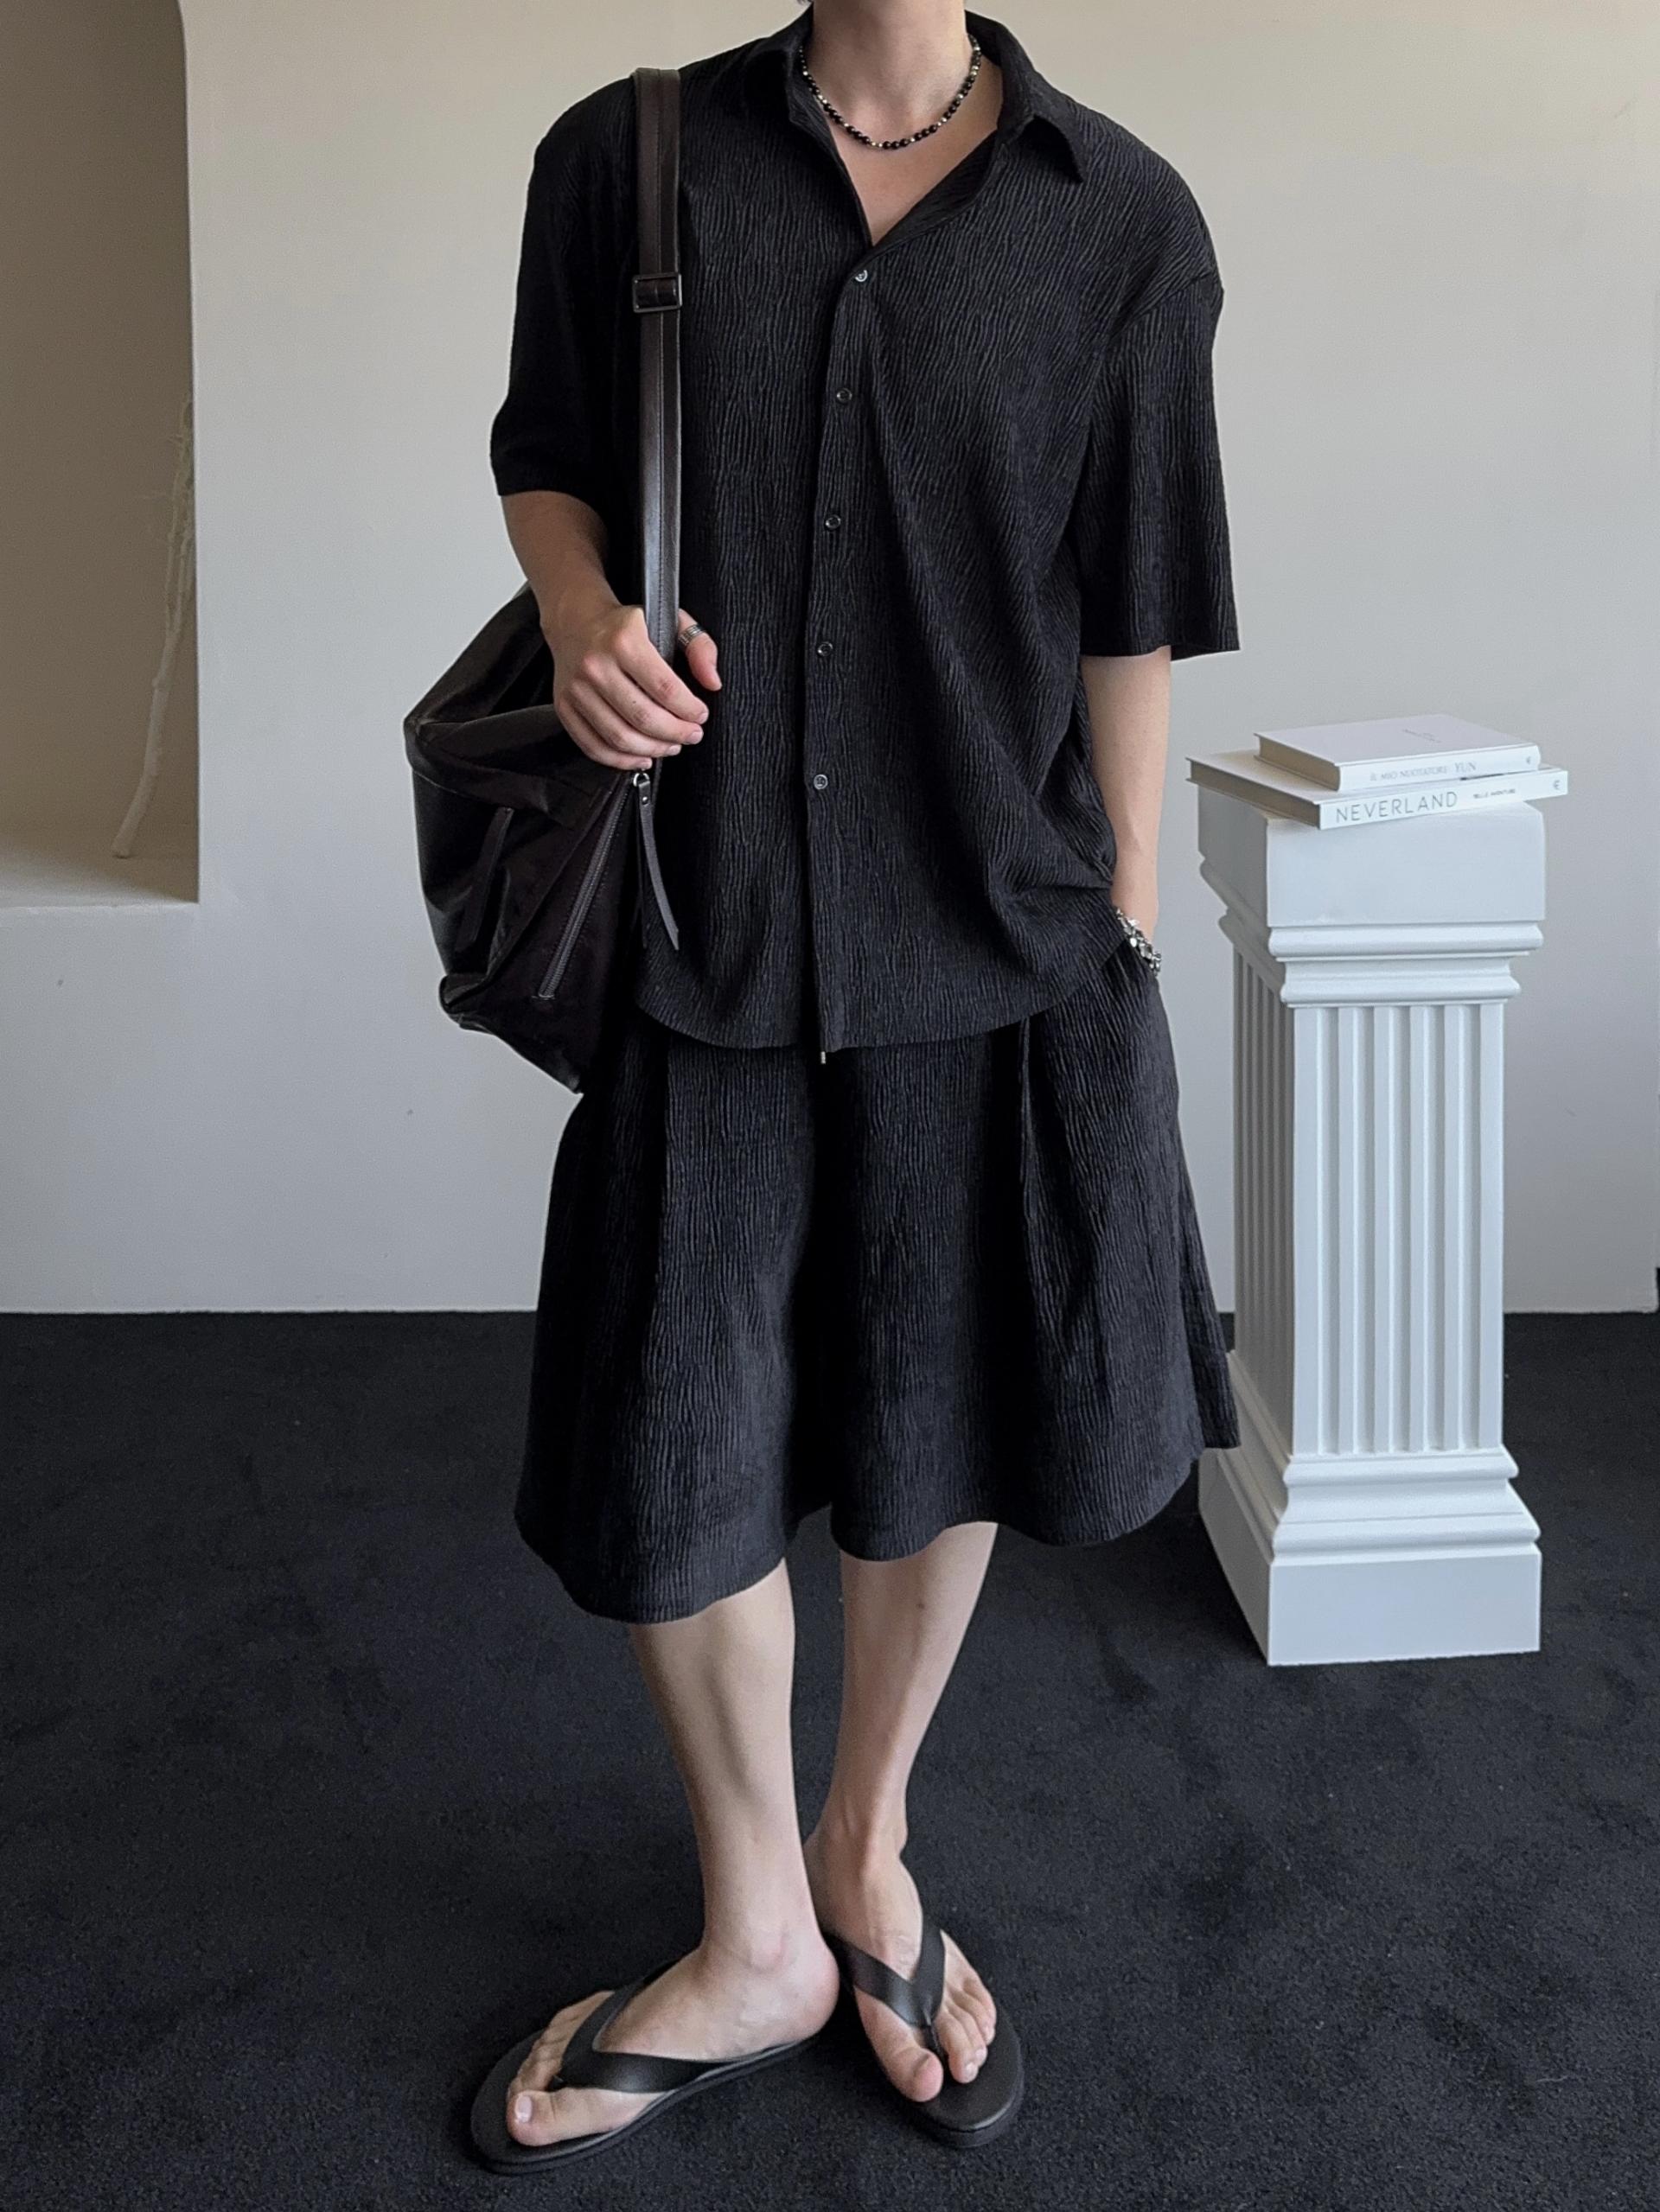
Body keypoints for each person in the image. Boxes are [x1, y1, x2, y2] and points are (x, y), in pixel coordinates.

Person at [467, 0, 1242, 2172]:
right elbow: (548, 447)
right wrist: (583, 610)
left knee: (937, 1421)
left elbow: (1131, 611)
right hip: (703, 923)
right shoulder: (623, 160)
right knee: (675, 1445)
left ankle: (863, 1842)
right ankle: (754, 1932)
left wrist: (1124, 936)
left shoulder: (1126, 222)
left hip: (985, 942)